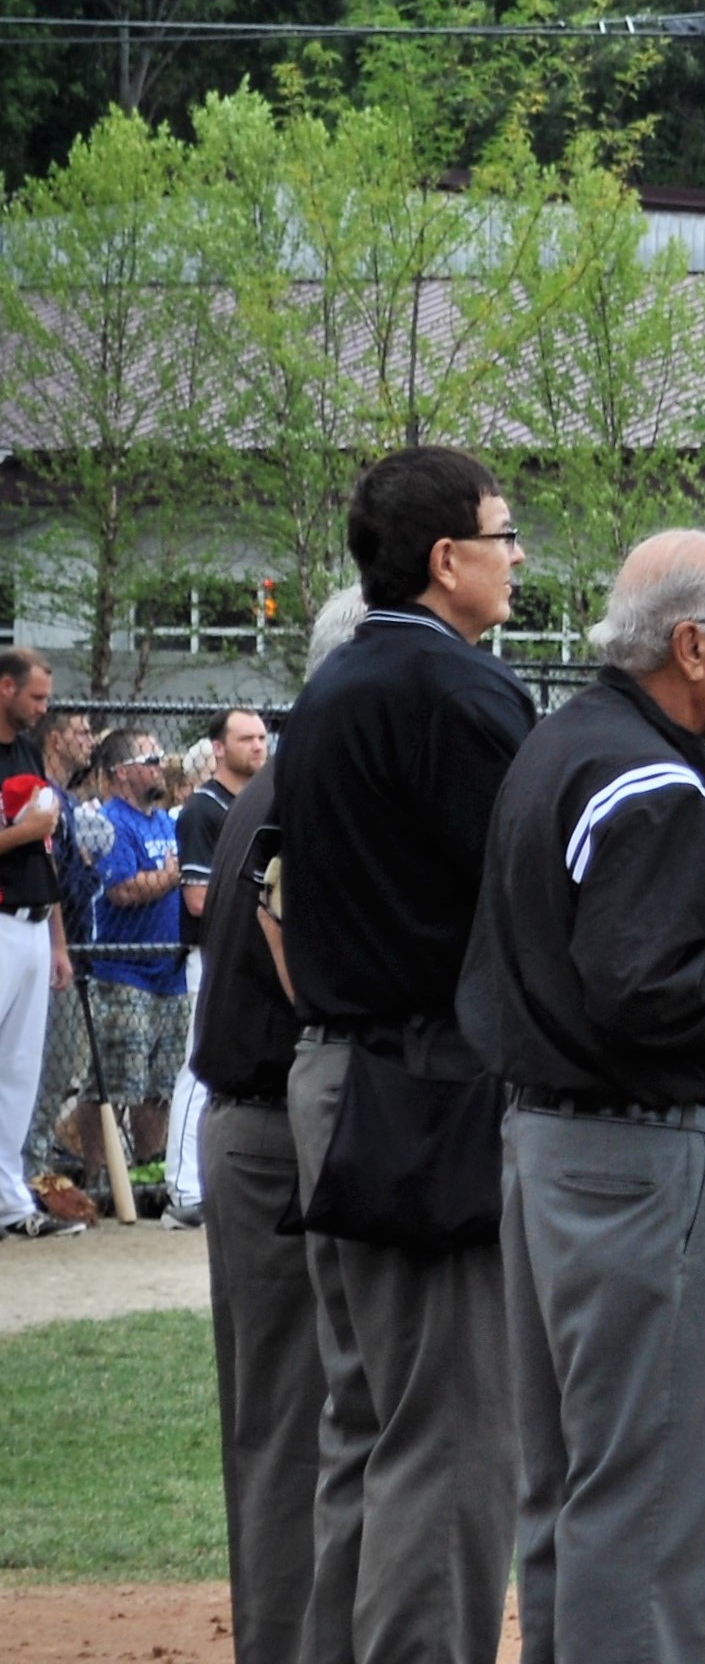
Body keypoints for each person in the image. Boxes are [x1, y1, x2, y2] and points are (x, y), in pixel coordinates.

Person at [462, 531, 705, 1664]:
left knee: (573, 1497)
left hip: (550, 1148)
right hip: (636, 1166)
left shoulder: (564, 739)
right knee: (646, 1506)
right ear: (689, 642)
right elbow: (645, 993)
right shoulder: (649, 778)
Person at [274, 444, 538, 1664]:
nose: (516, 553)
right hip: (422, 1087)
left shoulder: (331, 684)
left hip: (336, 1073)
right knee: (450, 1441)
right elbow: (530, 905)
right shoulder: (457, 691)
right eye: (502, 532)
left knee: (366, 1430)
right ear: (447, 559)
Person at [194, 592, 364, 1664]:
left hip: (270, 1118)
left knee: (301, 1421)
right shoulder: (310, 787)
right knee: (293, 1425)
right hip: (274, 1126)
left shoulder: (288, 780)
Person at [163, 707, 266, 1231]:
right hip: (211, 953)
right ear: (218, 748)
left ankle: (201, 1180)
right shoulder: (203, 809)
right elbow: (200, 899)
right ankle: (182, 1187)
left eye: (262, 736)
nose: (257, 745)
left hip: (243, 951)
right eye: (245, 737)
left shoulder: (253, 802)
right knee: (199, 1065)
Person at [0, 645, 85, 1239]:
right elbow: (33, 833)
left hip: (32, 925)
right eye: (36, 697)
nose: (44, 708)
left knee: (20, 1073)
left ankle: (9, 1201)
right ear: (5, 689)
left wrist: (57, 942)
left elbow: (46, 851)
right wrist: (25, 830)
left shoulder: (27, 750)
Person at [84, 729, 191, 1159]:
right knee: (112, 1082)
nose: (160, 765)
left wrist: (165, 876)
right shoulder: (111, 821)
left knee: (158, 1085)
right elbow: (123, 889)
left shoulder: (164, 821)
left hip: (170, 972)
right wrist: (171, 874)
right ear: (123, 772)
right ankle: (97, 1175)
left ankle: (148, 1169)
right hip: (124, 972)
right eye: (152, 759)